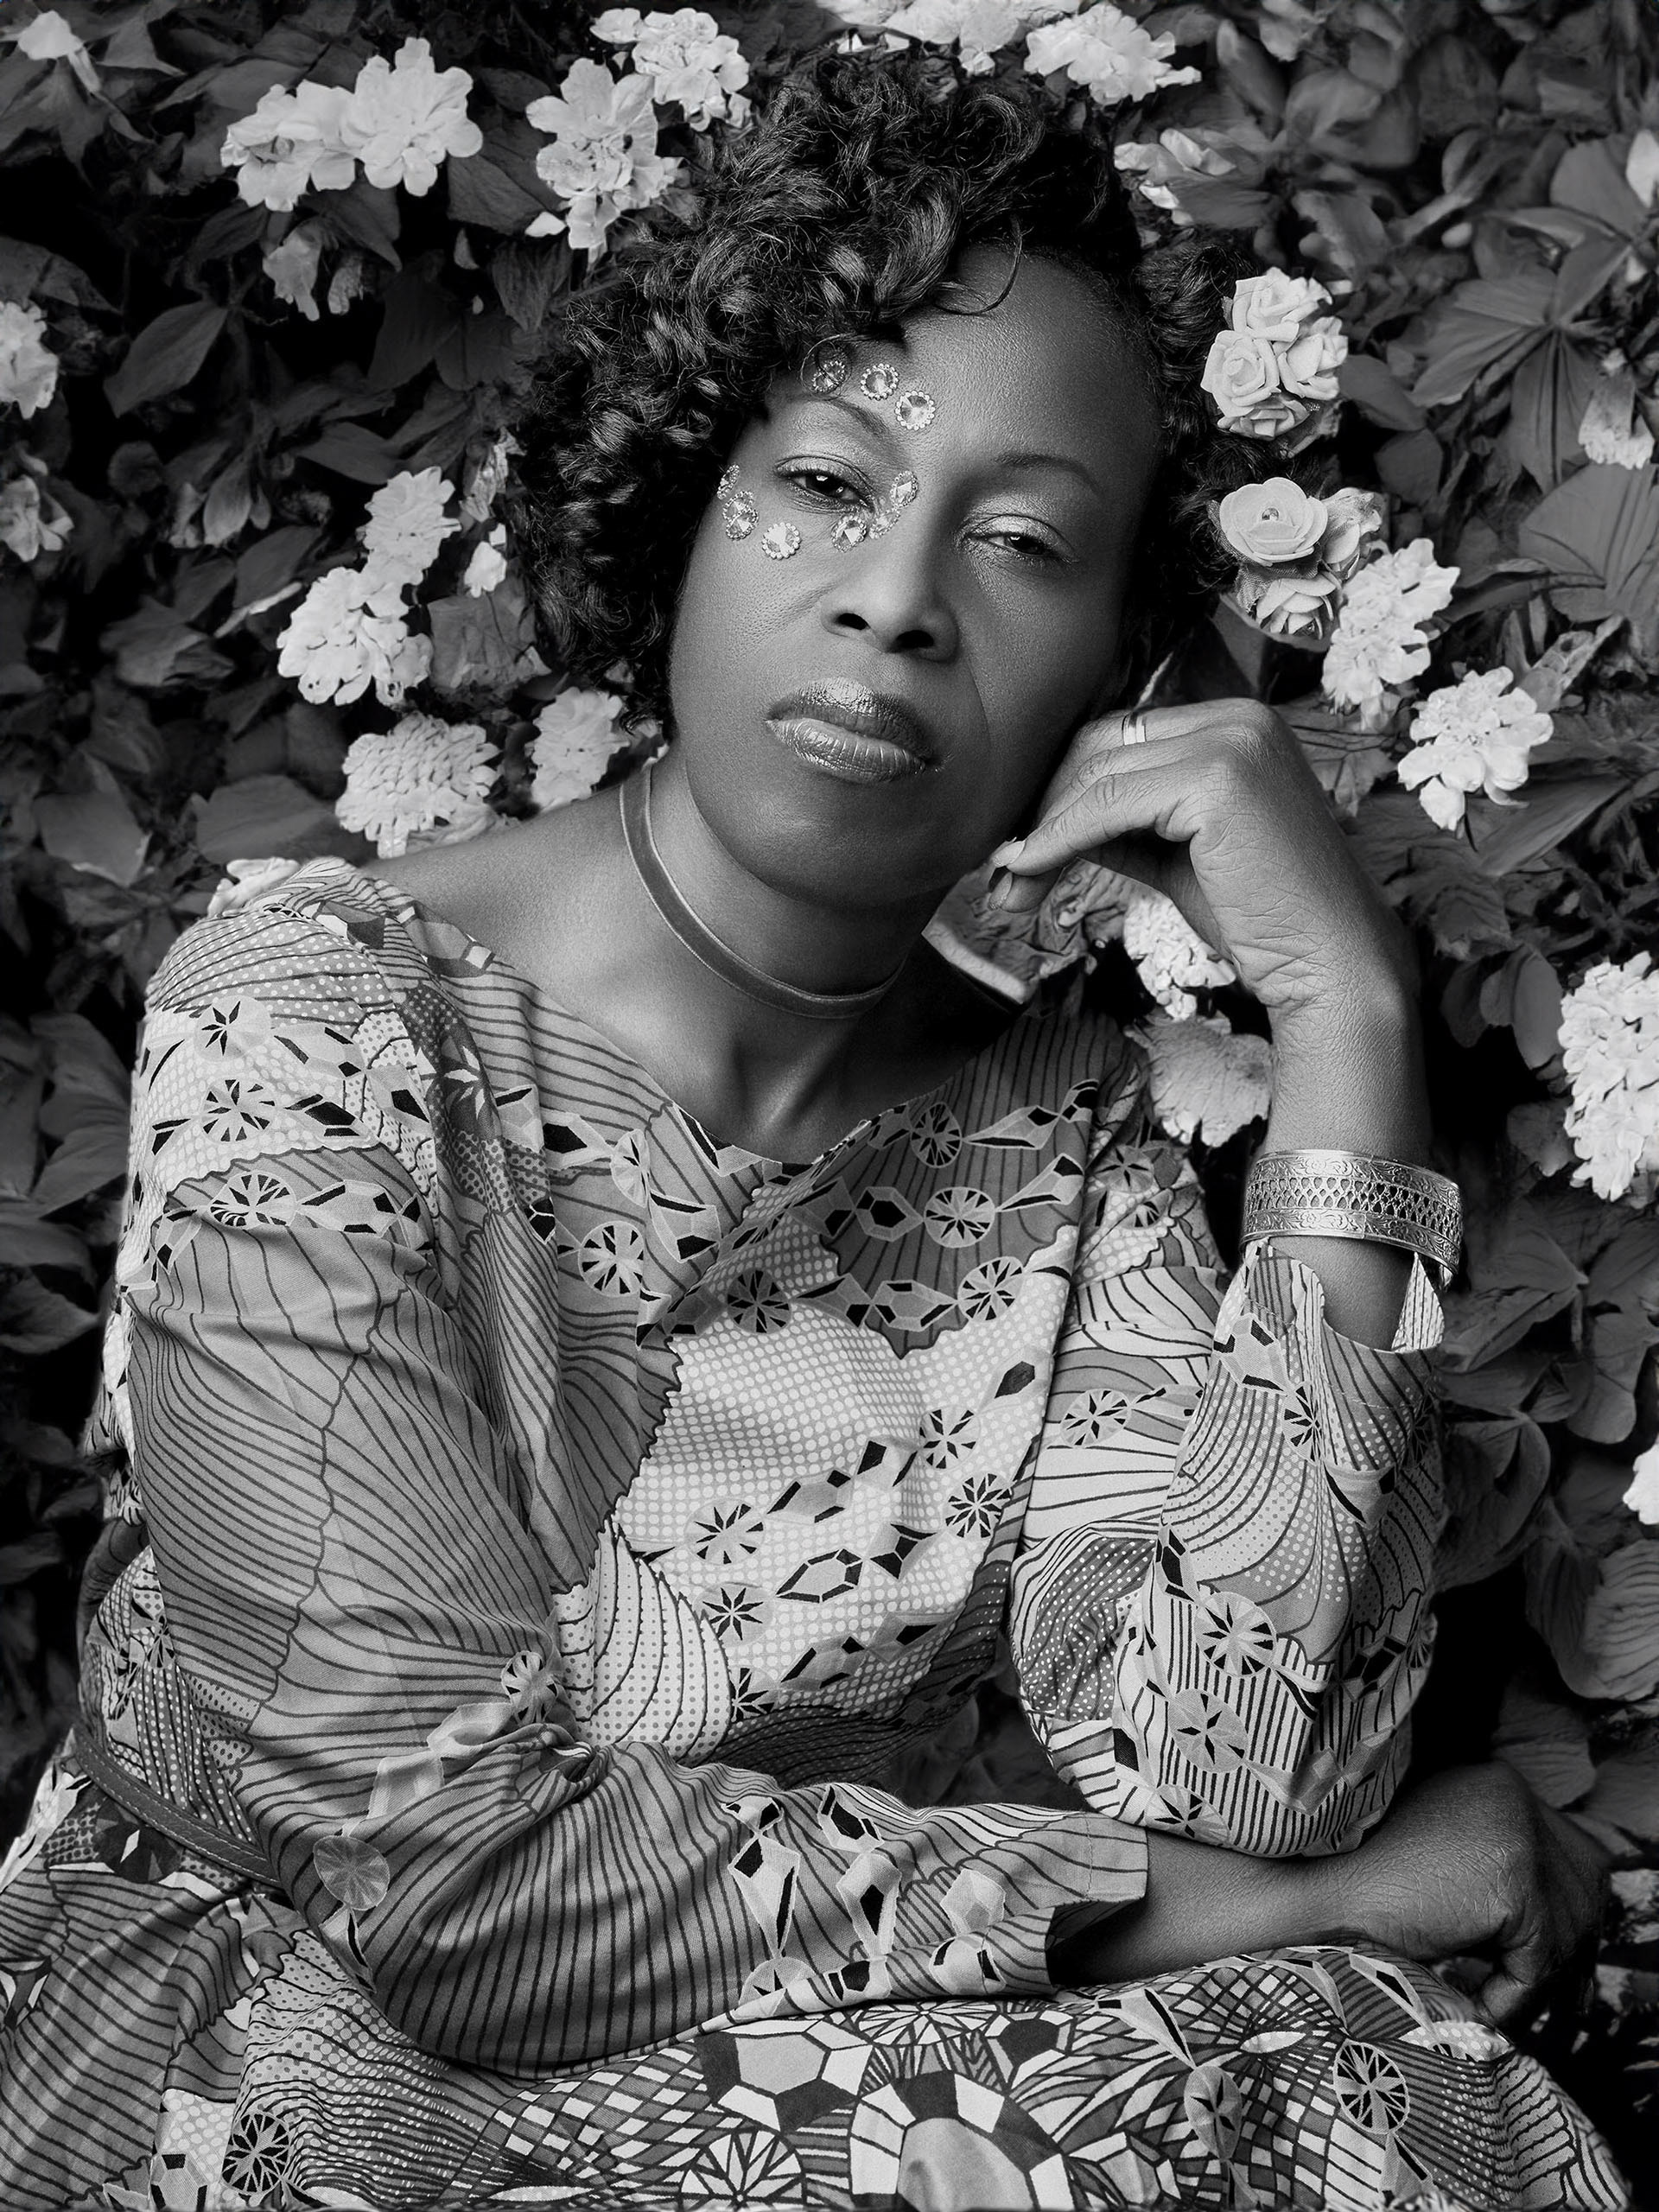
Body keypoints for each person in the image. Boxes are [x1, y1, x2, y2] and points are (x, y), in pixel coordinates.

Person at [0, 47, 1627, 2212]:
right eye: (829, 480)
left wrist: (1346, 1012)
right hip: (279, 2043)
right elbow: (448, 1883)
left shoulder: (1064, 1133)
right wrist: (1283, 1906)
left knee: (1392, 2094)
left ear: (1118, 677)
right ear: (681, 502)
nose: (898, 596)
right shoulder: (313, 1010)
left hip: (811, 2037)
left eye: (1023, 541)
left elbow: (1251, 1769)